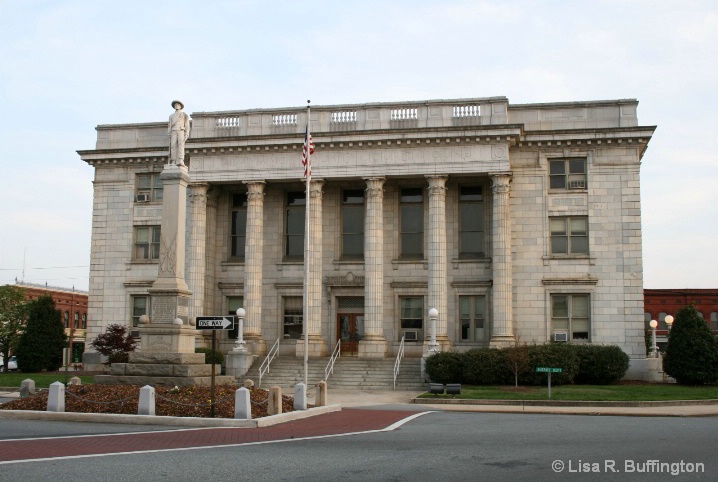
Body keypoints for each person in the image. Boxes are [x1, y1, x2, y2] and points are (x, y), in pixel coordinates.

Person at [168, 100, 191, 166]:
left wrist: (186, 133)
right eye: (175, 105)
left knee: (181, 145)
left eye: (178, 104)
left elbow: (187, 125)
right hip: (173, 131)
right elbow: (169, 126)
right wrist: (169, 133)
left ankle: (181, 159)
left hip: (181, 130)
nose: (176, 106)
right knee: (173, 146)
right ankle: (173, 160)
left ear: (180, 106)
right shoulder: (171, 116)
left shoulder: (184, 115)